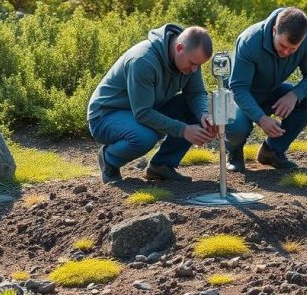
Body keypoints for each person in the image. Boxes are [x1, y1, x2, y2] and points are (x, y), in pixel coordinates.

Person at [87, 24, 217, 183]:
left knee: (195, 111)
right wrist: (183, 130)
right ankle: (109, 159)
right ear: (179, 48)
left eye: (199, 65)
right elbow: (143, 113)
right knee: (144, 138)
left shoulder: (190, 61)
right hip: (106, 115)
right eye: (192, 63)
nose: (195, 69)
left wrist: (204, 114)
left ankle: (161, 166)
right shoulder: (143, 60)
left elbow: (196, 93)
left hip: (144, 109)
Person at [225, 7, 307, 171]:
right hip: (240, 96)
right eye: (282, 45)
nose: (286, 52)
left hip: (272, 92)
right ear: (274, 30)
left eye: (293, 49)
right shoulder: (249, 41)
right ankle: (234, 152)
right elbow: (238, 88)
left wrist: (294, 94)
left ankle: (271, 151)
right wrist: (261, 119)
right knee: (237, 127)